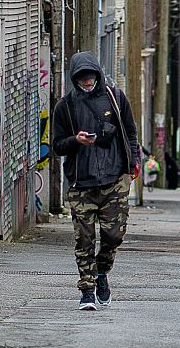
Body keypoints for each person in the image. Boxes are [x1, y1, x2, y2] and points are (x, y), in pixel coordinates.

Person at [51, 52, 140, 311]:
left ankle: (102, 273)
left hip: (115, 180)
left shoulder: (115, 98)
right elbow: (57, 145)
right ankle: (87, 291)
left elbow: (130, 132)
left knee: (114, 235)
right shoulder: (65, 107)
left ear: (98, 75)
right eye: (82, 78)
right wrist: (75, 140)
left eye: (91, 77)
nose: (87, 82)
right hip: (82, 184)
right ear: (75, 79)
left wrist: (133, 162)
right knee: (84, 239)